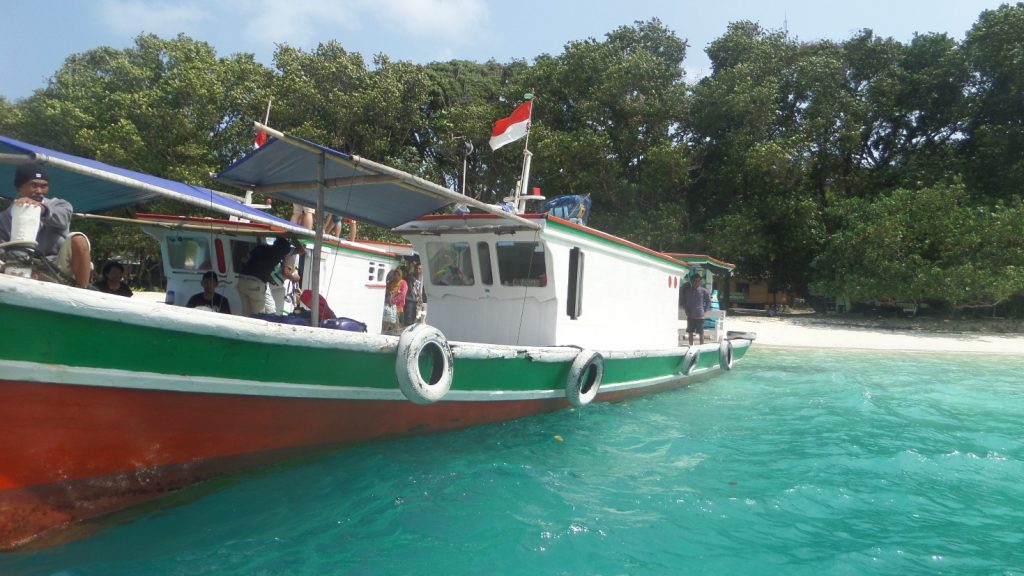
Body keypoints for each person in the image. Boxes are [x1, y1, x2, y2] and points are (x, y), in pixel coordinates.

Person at [0, 162, 92, 288]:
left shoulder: (60, 205)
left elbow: (62, 218)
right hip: (20, 264)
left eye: (44, 186)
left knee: (79, 240)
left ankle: (82, 292)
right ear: (19, 186)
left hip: (57, 265)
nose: (39, 191)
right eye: (33, 185)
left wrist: (42, 210)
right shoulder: (4, 217)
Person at [237, 235, 304, 316]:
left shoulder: (261, 248)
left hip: (242, 280)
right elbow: (300, 249)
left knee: (246, 313)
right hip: (256, 283)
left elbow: (243, 260)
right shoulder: (280, 251)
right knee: (258, 315)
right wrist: (293, 236)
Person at [681, 272, 712, 345]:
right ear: (691, 281)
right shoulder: (687, 290)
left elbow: (709, 301)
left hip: (700, 316)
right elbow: (683, 301)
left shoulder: (703, 290)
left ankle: (701, 347)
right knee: (690, 332)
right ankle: (691, 346)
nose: (697, 282)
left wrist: (705, 309)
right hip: (690, 315)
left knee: (701, 333)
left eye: (698, 281)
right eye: (695, 281)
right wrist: (685, 308)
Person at [403, 261, 423, 326]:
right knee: (408, 318)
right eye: (417, 268)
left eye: (420, 269)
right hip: (409, 299)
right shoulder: (410, 277)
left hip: (416, 301)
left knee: (415, 318)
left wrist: (420, 298)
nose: (418, 270)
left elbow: (418, 290)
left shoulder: (421, 278)